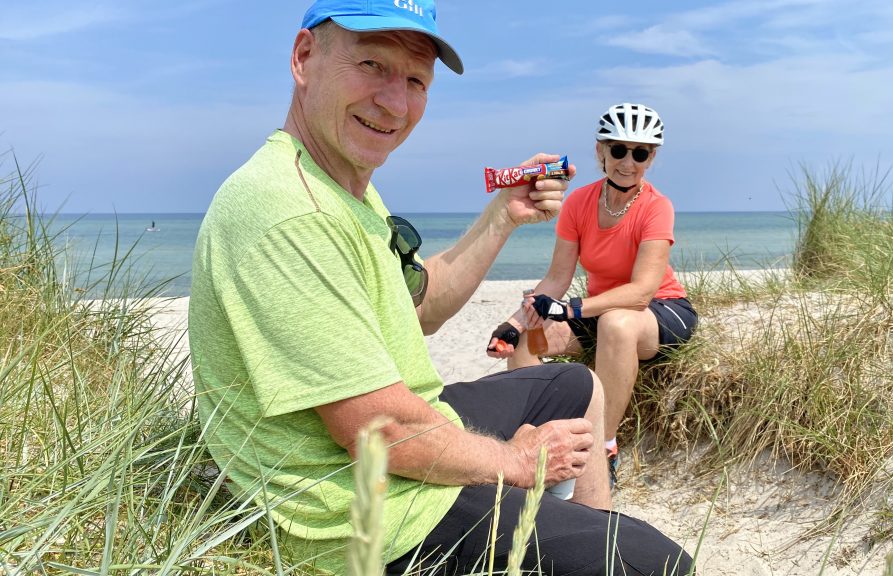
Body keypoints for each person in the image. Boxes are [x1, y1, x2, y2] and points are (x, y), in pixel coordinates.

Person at [189, 2, 695, 574]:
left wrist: (502, 217)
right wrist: (515, 460)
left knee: (574, 386)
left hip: (400, 432)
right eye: (372, 64)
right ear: (304, 57)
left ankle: (584, 537)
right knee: (660, 564)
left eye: (415, 80)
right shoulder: (291, 212)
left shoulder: (342, 187)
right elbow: (381, 430)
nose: (395, 102)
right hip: (355, 510)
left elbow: (422, 307)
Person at [486, 103, 698, 487]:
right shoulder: (579, 203)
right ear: (601, 150)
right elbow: (556, 278)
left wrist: (571, 309)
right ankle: (542, 440)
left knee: (616, 324)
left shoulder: (657, 207)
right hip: (599, 311)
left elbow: (641, 293)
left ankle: (603, 448)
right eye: (618, 150)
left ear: (651, 158)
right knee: (528, 338)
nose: (628, 163)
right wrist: (513, 324)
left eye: (640, 153)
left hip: (661, 311)